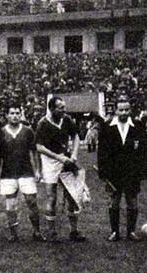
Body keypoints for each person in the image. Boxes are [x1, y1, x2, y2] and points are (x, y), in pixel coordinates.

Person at [36, 97, 86, 242]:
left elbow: (76, 136)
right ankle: (51, 233)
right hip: (50, 162)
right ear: (51, 109)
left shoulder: (67, 119)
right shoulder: (43, 123)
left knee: (72, 195)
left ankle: (74, 231)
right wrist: (58, 158)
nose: (64, 110)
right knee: (51, 197)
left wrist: (74, 154)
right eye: (60, 108)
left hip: (66, 159)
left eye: (64, 107)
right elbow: (39, 147)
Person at [97, 98, 145, 241]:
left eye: (126, 110)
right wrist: (103, 172)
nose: (124, 112)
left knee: (132, 201)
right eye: (121, 110)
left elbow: (143, 151)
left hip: (132, 171)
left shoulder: (138, 126)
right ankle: (114, 232)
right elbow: (102, 152)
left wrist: (142, 171)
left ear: (130, 110)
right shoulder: (106, 126)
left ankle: (131, 232)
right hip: (114, 172)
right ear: (116, 111)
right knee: (114, 201)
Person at [0, 104, 45, 242]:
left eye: (17, 113)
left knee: (31, 201)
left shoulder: (28, 131)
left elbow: (35, 152)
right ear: (7, 115)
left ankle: (37, 231)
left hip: (26, 172)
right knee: (11, 205)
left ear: (20, 115)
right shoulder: (1, 132)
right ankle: (13, 234)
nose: (15, 116)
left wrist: (37, 170)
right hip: (8, 173)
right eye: (11, 113)